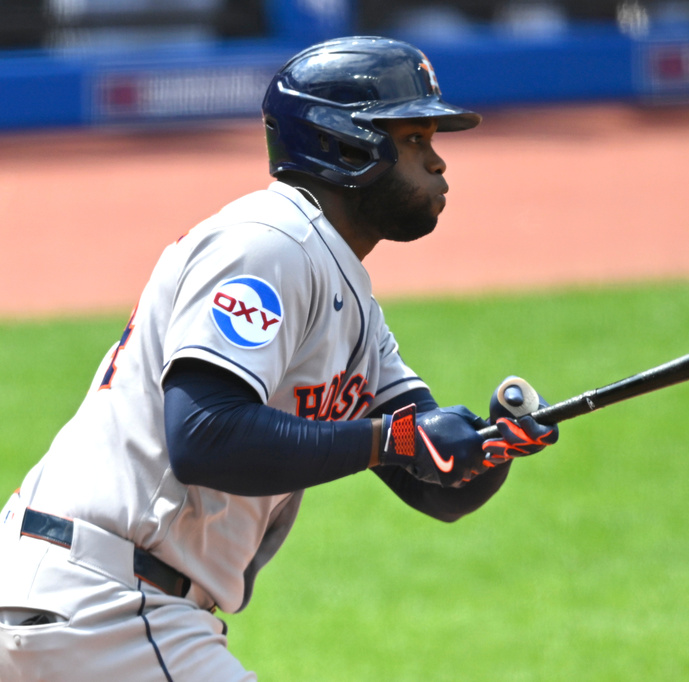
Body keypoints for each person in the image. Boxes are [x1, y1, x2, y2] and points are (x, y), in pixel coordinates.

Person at [0, 36, 558, 681]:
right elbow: (205, 434)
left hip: (86, 601)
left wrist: (493, 443)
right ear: (348, 146)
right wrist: (399, 439)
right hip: (107, 605)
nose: (437, 165)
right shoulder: (267, 245)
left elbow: (434, 485)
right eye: (414, 140)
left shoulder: (345, 295)